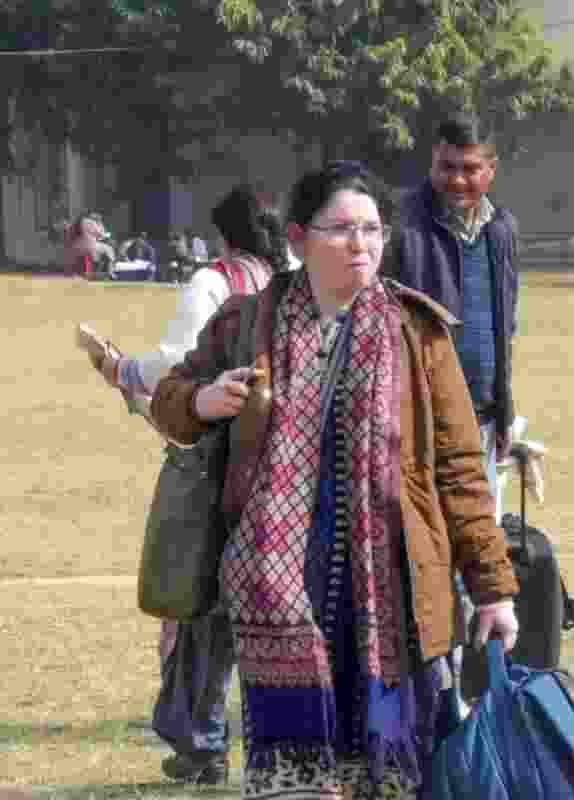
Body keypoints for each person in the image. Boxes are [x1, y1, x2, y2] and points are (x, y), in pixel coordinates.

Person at [150, 161, 521, 800]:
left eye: (372, 230)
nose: (361, 245)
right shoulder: (246, 322)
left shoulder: (416, 331)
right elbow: (168, 401)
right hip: (279, 595)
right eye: (342, 229)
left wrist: (493, 590)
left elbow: (461, 470)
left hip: (392, 594)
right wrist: (203, 400)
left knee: (395, 776)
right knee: (296, 782)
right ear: (298, 238)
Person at [77, 186, 286, 785]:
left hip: (219, 464)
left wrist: (118, 368)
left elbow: (176, 364)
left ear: (222, 235)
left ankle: (202, 743)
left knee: (204, 610)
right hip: (288, 465)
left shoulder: (214, 282)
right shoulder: (298, 279)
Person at [383, 114, 520, 516]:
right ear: (432, 162)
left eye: (470, 169)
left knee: (478, 534)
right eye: (447, 167)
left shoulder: (502, 229)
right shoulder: (400, 226)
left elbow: (505, 327)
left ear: (491, 170)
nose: (457, 180)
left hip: (483, 419)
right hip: (418, 421)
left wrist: (504, 410)